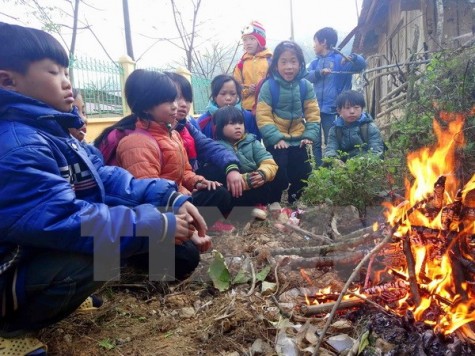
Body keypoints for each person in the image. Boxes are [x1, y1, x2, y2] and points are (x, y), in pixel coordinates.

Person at [0, 22, 209, 354]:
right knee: (100, 250)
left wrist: (165, 196)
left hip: (32, 251)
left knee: (125, 237)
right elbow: (64, 220)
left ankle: (55, 295)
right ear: (7, 80)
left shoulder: (55, 134)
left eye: (66, 71)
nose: (67, 82)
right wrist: (155, 225)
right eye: (54, 72)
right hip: (11, 264)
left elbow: (107, 179)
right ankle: (9, 329)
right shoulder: (19, 145)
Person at [109, 69, 232, 229]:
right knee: (187, 254)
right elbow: (149, 195)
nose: (176, 106)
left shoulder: (173, 134)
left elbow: (185, 171)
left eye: (176, 100)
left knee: (219, 193)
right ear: (146, 107)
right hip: (161, 208)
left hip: (178, 197)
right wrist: (181, 198)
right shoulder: (136, 143)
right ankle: (187, 230)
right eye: (168, 101)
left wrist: (198, 182)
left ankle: (194, 227)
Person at [255, 40, 321, 206]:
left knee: (304, 172)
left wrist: (309, 135)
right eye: (284, 62)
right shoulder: (269, 86)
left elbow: (313, 113)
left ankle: (295, 198)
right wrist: (276, 138)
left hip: (299, 136)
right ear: (276, 65)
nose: (289, 66)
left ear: (300, 64)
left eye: (293, 61)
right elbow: (263, 115)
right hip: (277, 139)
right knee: (278, 172)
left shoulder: (306, 86)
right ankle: (274, 200)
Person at [164, 72, 245, 200]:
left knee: (225, 180)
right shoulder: (144, 136)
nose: (183, 104)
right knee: (219, 194)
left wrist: (231, 167)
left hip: (190, 180)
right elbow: (152, 183)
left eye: (187, 99)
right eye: (176, 98)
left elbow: (209, 146)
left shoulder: (187, 126)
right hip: (170, 196)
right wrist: (183, 188)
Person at [305, 27, 366, 160]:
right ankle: (318, 171)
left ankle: (332, 168)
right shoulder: (315, 62)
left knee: (331, 140)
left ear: (324, 42)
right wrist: (319, 73)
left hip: (333, 109)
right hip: (315, 109)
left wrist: (353, 57)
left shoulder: (341, 60)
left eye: (315, 42)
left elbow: (361, 65)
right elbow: (307, 76)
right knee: (315, 142)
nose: (313, 46)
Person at [214, 106, 278, 220]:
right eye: (232, 123)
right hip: (234, 188)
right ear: (219, 127)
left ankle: (255, 207)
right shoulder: (216, 147)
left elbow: (268, 161)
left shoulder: (252, 142)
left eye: (240, 123)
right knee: (221, 191)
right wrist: (245, 180)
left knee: (275, 174)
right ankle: (246, 210)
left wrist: (262, 174)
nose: (238, 126)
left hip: (254, 184)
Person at [325, 90, 385, 161]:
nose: (352, 111)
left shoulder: (370, 128)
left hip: (366, 166)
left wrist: (361, 164)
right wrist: (335, 161)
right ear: (339, 110)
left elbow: (377, 152)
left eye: (356, 107)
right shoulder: (335, 130)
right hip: (341, 167)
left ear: (362, 109)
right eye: (347, 108)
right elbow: (331, 150)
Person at [196, 74, 261, 141]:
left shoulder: (247, 117)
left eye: (233, 94)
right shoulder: (203, 122)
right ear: (215, 97)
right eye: (223, 94)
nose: (228, 98)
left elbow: (256, 140)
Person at [232, 20, 272, 112]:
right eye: (245, 40)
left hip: (268, 108)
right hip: (246, 110)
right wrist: (247, 91)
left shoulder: (271, 60)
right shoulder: (240, 64)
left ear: (260, 40)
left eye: (252, 39)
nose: (248, 43)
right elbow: (235, 89)